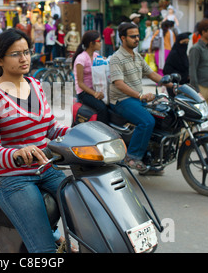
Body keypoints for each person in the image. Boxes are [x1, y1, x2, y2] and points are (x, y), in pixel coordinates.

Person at [0, 28, 70, 253]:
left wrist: (79, 134)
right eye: (16, 54)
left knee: (85, 209)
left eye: (27, 52)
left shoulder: (36, 85)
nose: (24, 58)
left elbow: (50, 128)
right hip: (13, 178)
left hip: (45, 168)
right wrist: (17, 153)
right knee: (45, 249)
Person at [109, 23, 170, 173]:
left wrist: (170, 84)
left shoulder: (137, 56)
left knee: (162, 118)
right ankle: (132, 157)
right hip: (122, 100)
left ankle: (150, 161)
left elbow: (151, 74)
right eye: (133, 36)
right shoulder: (116, 58)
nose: (137, 39)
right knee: (147, 121)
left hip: (136, 99)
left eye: (138, 36)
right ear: (123, 38)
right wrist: (140, 96)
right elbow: (119, 84)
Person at [188, 18, 208, 135]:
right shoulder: (196, 49)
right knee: (193, 118)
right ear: (203, 32)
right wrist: (196, 91)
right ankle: (183, 142)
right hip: (200, 88)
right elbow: (192, 71)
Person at [72, 30, 109, 124]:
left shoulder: (96, 56)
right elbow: (80, 83)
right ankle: (101, 132)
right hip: (84, 93)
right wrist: (95, 93)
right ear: (91, 43)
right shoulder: (81, 59)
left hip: (96, 89)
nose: (101, 43)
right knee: (102, 108)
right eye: (99, 41)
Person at [163, 32, 191, 96]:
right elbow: (167, 70)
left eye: (187, 43)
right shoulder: (173, 54)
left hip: (184, 86)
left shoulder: (184, 55)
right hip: (174, 87)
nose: (185, 45)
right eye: (184, 43)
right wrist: (180, 76)